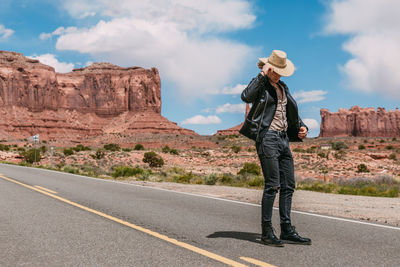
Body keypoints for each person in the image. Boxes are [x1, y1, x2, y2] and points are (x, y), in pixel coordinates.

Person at [239, 50, 311, 247]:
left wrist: (302, 127)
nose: (278, 74)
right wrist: (261, 75)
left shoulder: (283, 87)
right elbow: (246, 96)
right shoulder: (261, 87)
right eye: (275, 70)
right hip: (267, 138)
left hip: (283, 138)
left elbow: (289, 113)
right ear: (268, 68)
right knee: (272, 185)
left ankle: (287, 229)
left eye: (281, 71)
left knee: (289, 185)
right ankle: (266, 231)